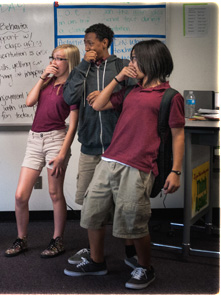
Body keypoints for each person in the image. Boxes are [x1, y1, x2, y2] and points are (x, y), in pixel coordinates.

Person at [64, 40, 184, 290]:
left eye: (135, 59)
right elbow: (97, 104)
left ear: (151, 60)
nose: (131, 64)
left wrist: (175, 171)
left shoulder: (170, 97)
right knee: (92, 212)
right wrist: (118, 78)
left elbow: (178, 135)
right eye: (131, 59)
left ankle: (145, 267)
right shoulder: (130, 90)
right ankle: (97, 261)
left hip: (140, 166)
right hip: (109, 160)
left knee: (133, 219)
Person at [63, 23, 138, 268]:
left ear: (105, 42)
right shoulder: (82, 70)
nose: (87, 47)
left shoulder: (123, 66)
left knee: (123, 203)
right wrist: (83, 65)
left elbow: (136, 99)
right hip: (90, 145)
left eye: (91, 43)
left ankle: (130, 251)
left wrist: (109, 98)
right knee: (89, 201)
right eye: (85, 43)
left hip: (120, 149)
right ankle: (95, 253)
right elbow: (69, 97)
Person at [4, 44, 80, 258]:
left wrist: (63, 153)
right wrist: (42, 77)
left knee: (55, 193)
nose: (55, 62)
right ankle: (22, 239)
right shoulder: (47, 82)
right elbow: (29, 102)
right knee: (20, 195)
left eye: (60, 59)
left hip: (57, 140)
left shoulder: (73, 87)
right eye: (53, 57)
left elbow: (73, 125)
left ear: (70, 62)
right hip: (34, 140)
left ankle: (57, 240)